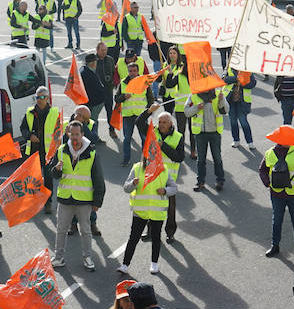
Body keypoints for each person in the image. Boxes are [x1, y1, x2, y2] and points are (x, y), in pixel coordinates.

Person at [117, 133, 177, 277]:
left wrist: (166, 190)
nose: (151, 155)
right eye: (149, 152)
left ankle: (154, 263)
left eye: (154, 153)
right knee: (133, 238)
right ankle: (125, 265)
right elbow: (126, 187)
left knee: (156, 238)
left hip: (157, 212)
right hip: (140, 211)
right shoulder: (137, 168)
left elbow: (174, 188)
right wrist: (133, 183)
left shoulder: (163, 171)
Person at [51, 121, 105, 272]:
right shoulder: (61, 150)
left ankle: (87, 257)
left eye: (77, 134)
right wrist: (56, 169)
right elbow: (54, 175)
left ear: (82, 134)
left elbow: (98, 180)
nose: (74, 137)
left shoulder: (92, 154)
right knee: (61, 229)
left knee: (86, 231)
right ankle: (58, 257)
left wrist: (97, 202)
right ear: (68, 134)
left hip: (84, 200)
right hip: (65, 199)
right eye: (72, 134)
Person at [259, 139, 294, 258]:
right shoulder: (269, 153)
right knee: (277, 221)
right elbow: (262, 169)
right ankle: (275, 246)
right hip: (277, 194)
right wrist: (268, 183)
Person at [21, 87, 61, 212]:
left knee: (48, 178)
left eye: (42, 97)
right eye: (37, 97)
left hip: (48, 152)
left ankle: (48, 202)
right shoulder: (30, 112)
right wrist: (29, 136)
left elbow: (59, 131)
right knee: (34, 178)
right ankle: (35, 201)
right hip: (34, 151)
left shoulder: (54, 113)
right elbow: (23, 128)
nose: (39, 99)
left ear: (47, 98)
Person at [153, 108, 186, 244]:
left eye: (164, 122)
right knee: (152, 205)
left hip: (169, 178)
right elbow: (139, 123)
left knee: (170, 207)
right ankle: (151, 231)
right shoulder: (153, 132)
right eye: (159, 122)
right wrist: (149, 111)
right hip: (153, 176)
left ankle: (170, 233)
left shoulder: (178, 137)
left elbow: (179, 158)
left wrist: (163, 146)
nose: (161, 124)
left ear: (171, 124)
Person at [187, 85, 228, 192]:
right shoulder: (194, 95)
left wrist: (221, 100)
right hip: (200, 133)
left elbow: (225, 110)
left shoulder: (218, 94)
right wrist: (196, 107)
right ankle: (200, 182)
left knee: (217, 158)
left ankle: (220, 181)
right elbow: (187, 112)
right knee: (201, 160)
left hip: (215, 133)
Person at [117, 48, 151, 166]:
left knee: (143, 138)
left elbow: (150, 99)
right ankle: (126, 159)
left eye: (134, 71)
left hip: (141, 115)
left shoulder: (144, 82)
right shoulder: (123, 83)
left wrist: (148, 112)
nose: (132, 73)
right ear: (128, 71)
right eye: (130, 71)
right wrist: (123, 97)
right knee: (127, 139)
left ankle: (145, 160)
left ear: (138, 71)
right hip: (128, 115)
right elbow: (116, 99)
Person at [83, 42, 117, 143]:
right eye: (102, 50)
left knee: (110, 111)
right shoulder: (93, 61)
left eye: (105, 50)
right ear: (97, 50)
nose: (104, 52)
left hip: (108, 91)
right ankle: (93, 136)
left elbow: (113, 72)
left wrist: (113, 82)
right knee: (94, 116)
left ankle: (112, 130)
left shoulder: (110, 59)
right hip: (96, 93)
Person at [224, 66, 254, 148]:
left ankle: (250, 142)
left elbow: (253, 83)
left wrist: (243, 82)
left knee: (243, 121)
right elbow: (224, 79)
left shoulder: (247, 70)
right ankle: (236, 140)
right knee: (233, 122)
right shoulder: (229, 68)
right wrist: (236, 78)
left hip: (242, 102)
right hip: (231, 100)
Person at [33, 0, 55, 67]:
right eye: (39, 9)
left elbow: (51, 27)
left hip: (45, 37)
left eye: (41, 9)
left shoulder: (48, 17)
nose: (39, 10)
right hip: (38, 36)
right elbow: (33, 27)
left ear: (44, 10)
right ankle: (36, 63)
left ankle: (44, 63)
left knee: (44, 51)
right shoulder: (36, 17)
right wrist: (39, 25)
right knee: (37, 51)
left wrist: (45, 25)